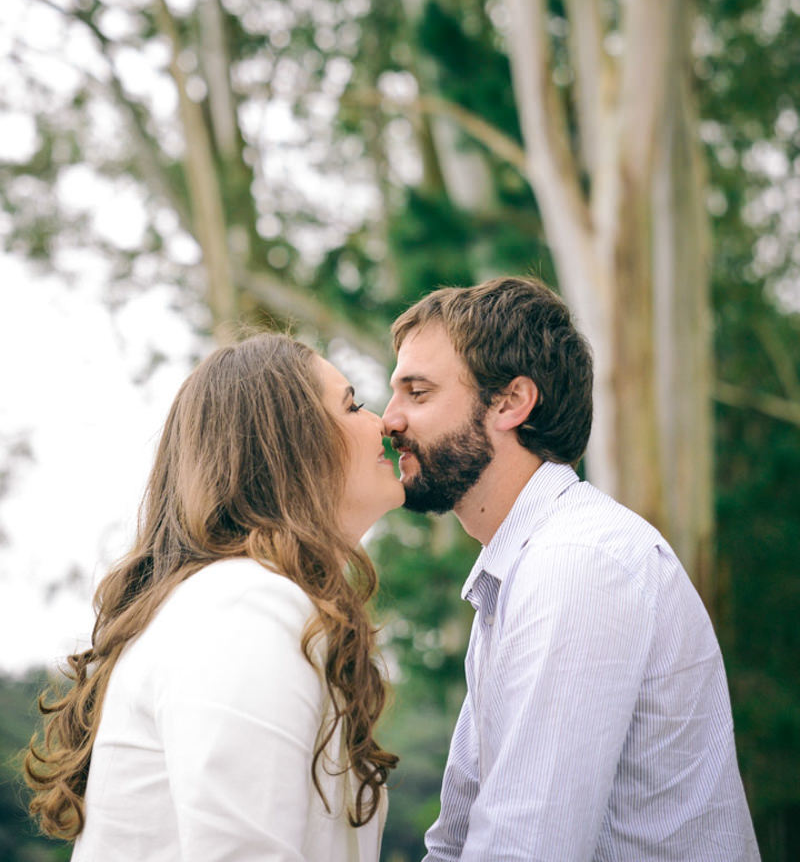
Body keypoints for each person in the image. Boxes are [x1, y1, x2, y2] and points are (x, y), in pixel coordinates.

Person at [383, 276, 760, 862]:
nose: (390, 420)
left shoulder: (576, 566)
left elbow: (525, 848)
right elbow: (457, 842)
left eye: (418, 392)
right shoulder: (521, 569)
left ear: (510, 402)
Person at [25, 332, 404, 861]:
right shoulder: (245, 603)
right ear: (292, 443)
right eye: (353, 404)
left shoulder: (249, 601)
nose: (384, 422)